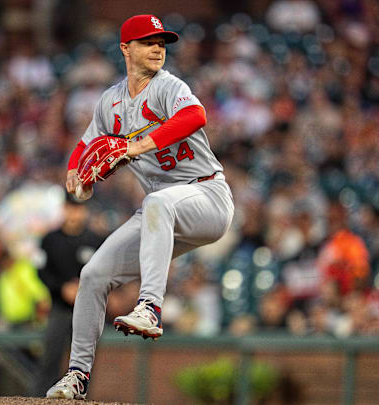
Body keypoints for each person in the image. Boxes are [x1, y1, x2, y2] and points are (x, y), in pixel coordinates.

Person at [46, 14, 234, 399]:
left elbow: (196, 115)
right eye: (148, 42)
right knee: (94, 274)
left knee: (156, 202)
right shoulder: (111, 102)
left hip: (207, 198)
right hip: (160, 214)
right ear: (125, 49)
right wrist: (73, 174)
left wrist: (137, 146)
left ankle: (150, 306)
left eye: (161, 42)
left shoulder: (167, 87)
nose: (158, 48)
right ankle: (77, 376)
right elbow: (84, 147)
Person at [33, 193, 103, 396]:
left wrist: (84, 288)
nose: (75, 213)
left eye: (79, 208)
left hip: (88, 310)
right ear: (64, 208)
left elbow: (105, 273)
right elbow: (41, 271)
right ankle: (39, 398)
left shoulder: (95, 240)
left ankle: (80, 398)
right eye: (72, 208)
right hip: (60, 308)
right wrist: (61, 287)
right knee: (50, 359)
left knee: (84, 365)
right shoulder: (49, 239)